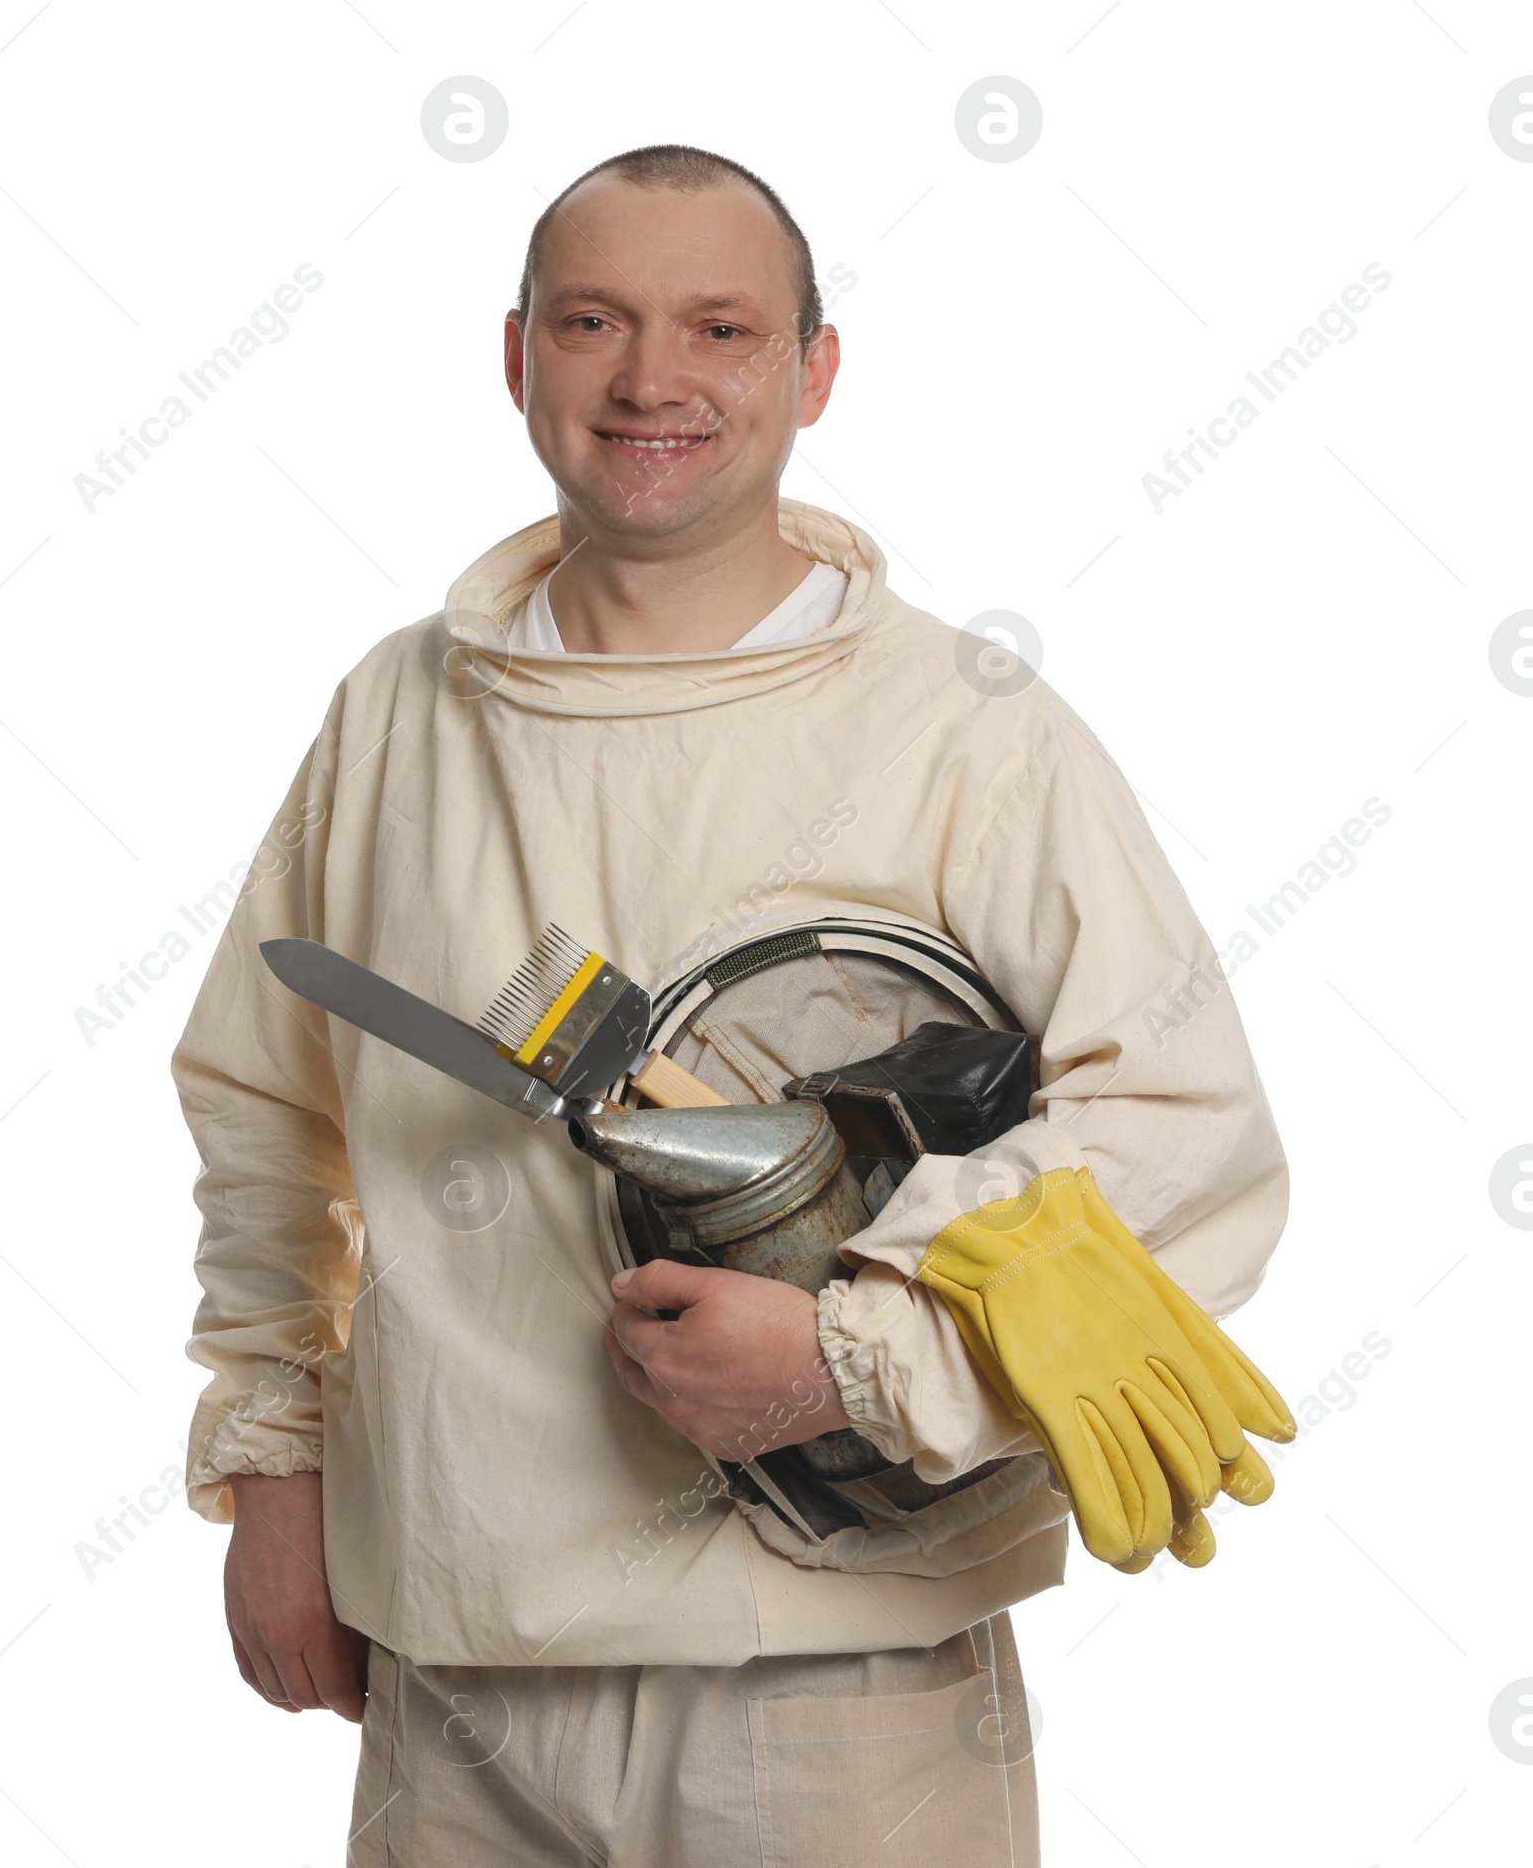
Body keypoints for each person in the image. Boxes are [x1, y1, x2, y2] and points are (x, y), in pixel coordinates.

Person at [175, 144, 1292, 1867]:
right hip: (459, 1652)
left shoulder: (965, 728)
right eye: (593, 322)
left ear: (813, 370)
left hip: (838, 1667)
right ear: (517, 355)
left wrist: (860, 1360)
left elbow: (1181, 1124)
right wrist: (274, 1473)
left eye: (720, 328)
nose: (650, 381)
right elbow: (265, 1111)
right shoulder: (395, 711)